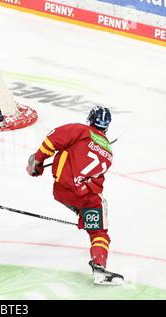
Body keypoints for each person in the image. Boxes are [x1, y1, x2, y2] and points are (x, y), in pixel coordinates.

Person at [26, 106, 124, 285]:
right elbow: (96, 179)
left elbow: (52, 140)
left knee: (66, 151)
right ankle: (99, 267)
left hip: (62, 191)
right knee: (99, 231)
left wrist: (38, 161)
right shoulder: (109, 152)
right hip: (85, 197)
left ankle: (84, 215)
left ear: (89, 119)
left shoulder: (80, 130)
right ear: (107, 127)